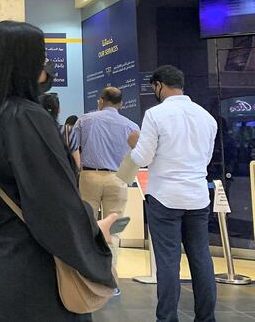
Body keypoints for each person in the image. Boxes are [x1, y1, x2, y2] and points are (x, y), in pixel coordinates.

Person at [0, 21, 117, 321]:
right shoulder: (25, 118)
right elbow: (56, 206)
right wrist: (93, 238)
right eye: (41, 62)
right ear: (24, 65)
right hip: (27, 279)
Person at [129, 66, 217, 322]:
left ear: (159, 85)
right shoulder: (206, 117)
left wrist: (134, 145)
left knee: (168, 262)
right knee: (201, 258)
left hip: (165, 196)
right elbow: (207, 158)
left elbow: (143, 157)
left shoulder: (156, 115)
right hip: (198, 196)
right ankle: (206, 317)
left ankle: (167, 318)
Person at [73, 87, 139, 269]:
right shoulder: (131, 126)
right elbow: (136, 155)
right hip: (118, 178)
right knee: (114, 228)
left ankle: (88, 272)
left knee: (87, 224)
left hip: (89, 176)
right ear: (121, 104)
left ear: (101, 101)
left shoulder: (84, 121)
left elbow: (73, 148)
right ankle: (111, 275)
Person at [39, 93, 81, 172]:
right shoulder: (67, 132)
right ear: (59, 110)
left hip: (39, 179)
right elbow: (77, 164)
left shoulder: (33, 131)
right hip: (64, 180)